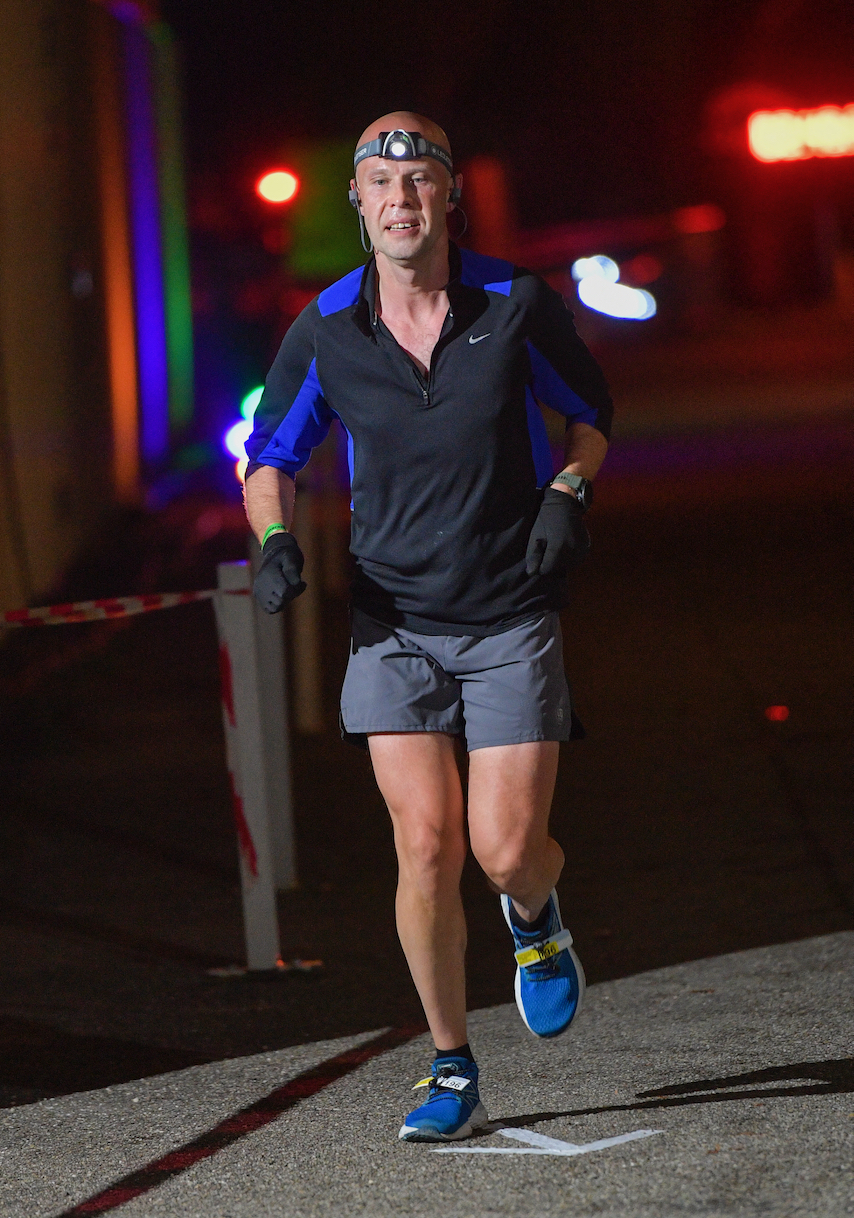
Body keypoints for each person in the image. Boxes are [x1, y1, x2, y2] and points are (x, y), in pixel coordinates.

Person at [243, 111, 612, 1143]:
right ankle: (452, 1067)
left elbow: (589, 414)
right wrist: (275, 540)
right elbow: (268, 455)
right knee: (424, 842)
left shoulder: (514, 301)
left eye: (419, 181)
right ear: (357, 207)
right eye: (380, 183)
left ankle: (534, 919)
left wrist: (566, 493)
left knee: (502, 851)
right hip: (391, 620)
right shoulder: (325, 327)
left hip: (504, 611)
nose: (400, 199)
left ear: (448, 197)